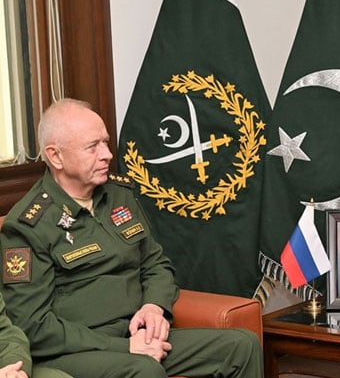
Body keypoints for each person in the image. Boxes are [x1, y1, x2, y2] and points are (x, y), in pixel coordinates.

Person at [0, 98, 262, 378]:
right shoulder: (28, 225)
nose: (107, 155)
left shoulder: (118, 195)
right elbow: (33, 326)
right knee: (145, 370)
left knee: (241, 346)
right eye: (93, 147)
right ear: (55, 157)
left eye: (105, 142)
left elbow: (156, 263)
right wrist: (124, 347)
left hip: (137, 335)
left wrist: (154, 306)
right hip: (77, 352)